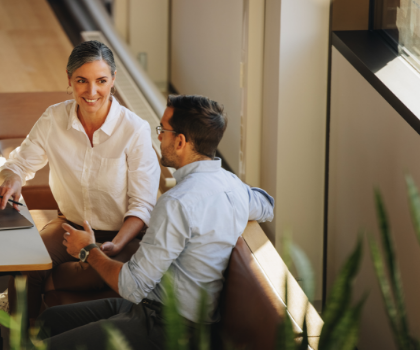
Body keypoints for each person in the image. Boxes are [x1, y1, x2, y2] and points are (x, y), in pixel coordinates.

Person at [35, 95, 275, 349]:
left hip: (169, 328)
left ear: (180, 141)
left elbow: (131, 286)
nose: (159, 137)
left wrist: (88, 251)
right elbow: (266, 206)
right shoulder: (232, 185)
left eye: (163, 130)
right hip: (155, 307)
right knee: (48, 320)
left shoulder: (176, 203)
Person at [0, 40, 161, 329]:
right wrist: (13, 180)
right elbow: (19, 164)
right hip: (69, 227)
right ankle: (23, 336)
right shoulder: (54, 118)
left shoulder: (134, 130)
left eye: (101, 81)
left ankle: (37, 286)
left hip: (122, 235)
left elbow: (142, 205)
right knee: (27, 260)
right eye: (82, 81)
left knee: (102, 270)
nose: (92, 92)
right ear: (69, 80)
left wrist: (113, 246)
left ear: (113, 80)